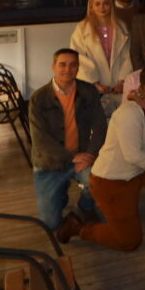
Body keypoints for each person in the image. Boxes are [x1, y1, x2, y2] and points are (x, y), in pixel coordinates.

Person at [57, 63, 145, 250]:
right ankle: (78, 227)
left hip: (136, 173)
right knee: (129, 242)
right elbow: (133, 155)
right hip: (112, 183)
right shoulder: (130, 113)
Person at [29, 48, 107, 228]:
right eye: (62, 65)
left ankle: (86, 206)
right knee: (50, 224)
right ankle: (60, 192)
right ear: (53, 67)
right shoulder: (38, 99)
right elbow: (40, 141)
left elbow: (100, 126)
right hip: (49, 163)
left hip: (82, 157)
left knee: (100, 180)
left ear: (78, 67)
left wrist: (90, 154)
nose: (68, 69)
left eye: (73, 65)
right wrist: (71, 157)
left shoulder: (89, 91)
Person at [69, 0, 133, 114]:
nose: (102, 7)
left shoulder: (121, 27)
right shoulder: (81, 29)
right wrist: (95, 82)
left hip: (117, 87)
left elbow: (128, 55)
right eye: (97, 4)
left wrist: (122, 81)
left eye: (106, 3)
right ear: (91, 7)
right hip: (93, 86)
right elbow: (78, 56)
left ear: (111, 5)